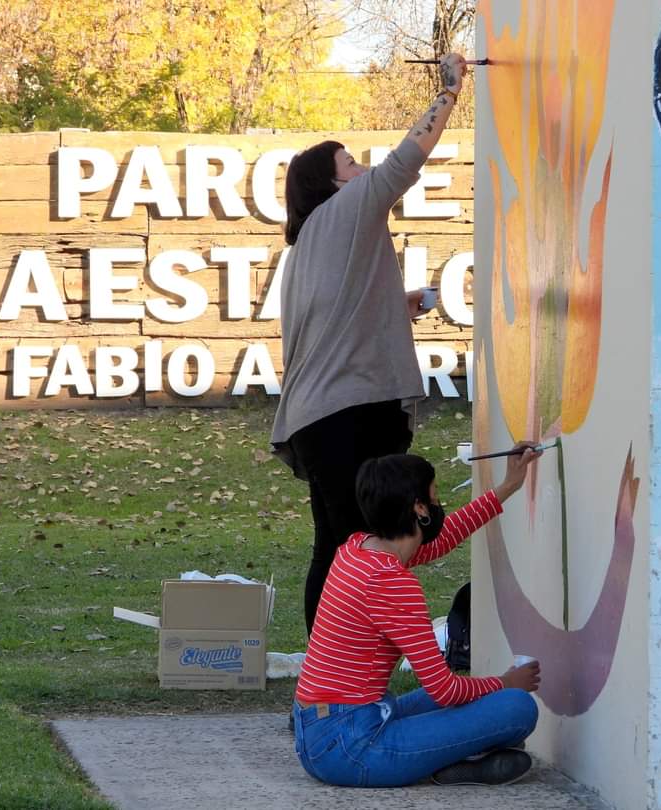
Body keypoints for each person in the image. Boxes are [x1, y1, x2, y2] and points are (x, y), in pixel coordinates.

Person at [271, 53, 470, 636]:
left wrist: (398, 306)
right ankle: (338, 683)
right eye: (349, 163)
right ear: (332, 182)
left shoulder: (306, 245)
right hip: (349, 416)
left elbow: (339, 323)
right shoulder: (347, 207)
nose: (359, 170)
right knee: (363, 547)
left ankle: (325, 677)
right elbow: (407, 159)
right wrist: (450, 92)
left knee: (333, 547)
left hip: (317, 422)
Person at [292, 442, 544, 788]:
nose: (439, 504)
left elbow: (442, 539)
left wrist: (508, 486)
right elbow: (444, 689)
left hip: (320, 731)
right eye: (435, 496)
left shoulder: (356, 550)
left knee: (480, 696)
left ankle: (450, 759)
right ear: (419, 509)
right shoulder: (392, 582)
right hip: (351, 747)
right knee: (516, 707)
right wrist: (504, 683)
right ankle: (448, 756)